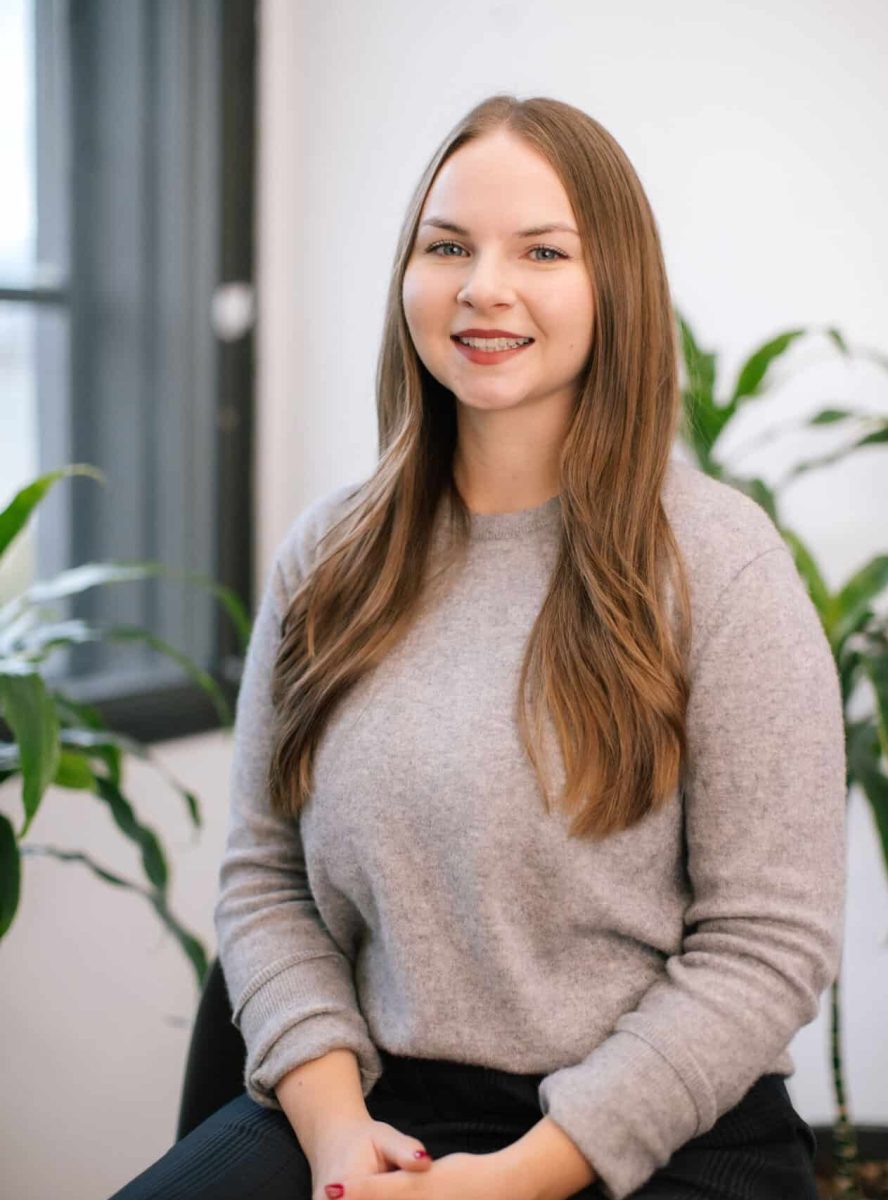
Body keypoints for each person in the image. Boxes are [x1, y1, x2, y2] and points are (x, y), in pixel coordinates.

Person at [110, 93, 845, 1200]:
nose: (482, 286)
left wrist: (507, 1181)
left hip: (658, 1136)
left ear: (616, 287)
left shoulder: (722, 563)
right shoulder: (331, 555)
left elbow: (766, 947)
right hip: (366, 1109)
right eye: (446, 245)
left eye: (542, 250)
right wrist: (335, 1132)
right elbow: (265, 879)